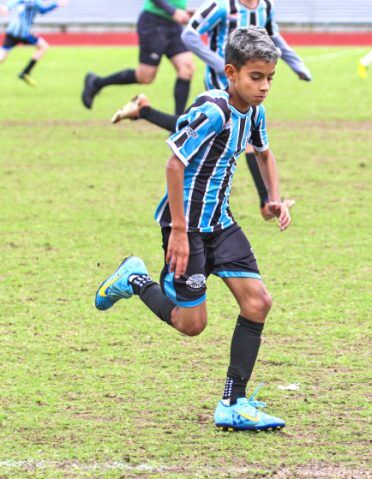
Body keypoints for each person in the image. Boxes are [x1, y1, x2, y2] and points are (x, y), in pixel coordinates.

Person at [95, 27, 290, 432]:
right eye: (257, 77)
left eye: (270, 78)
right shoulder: (212, 110)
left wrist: (273, 197)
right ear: (232, 73)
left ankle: (232, 404)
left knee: (258, 303)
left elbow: (265, 153)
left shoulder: (255, 111)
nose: (265, 86)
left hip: (220, 222)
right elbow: (174, 164)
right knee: (191, 324)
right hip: (185, 225)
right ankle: (134, 278)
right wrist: (180, 232)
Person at [111, 0, 309, 220]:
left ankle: (144, 110)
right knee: (220, 133)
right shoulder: (221, 6)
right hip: (222, 82)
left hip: (247, 82)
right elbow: (190, 35)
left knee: (203, 128)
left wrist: (296, 63)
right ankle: (261, 203)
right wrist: (218, 63)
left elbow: (273, 38)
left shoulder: (266, 6)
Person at [81, 0, 194, 114]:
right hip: (154, 22)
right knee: (145, 77)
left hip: (173, 24)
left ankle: (178, 124)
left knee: (186, 68)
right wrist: (173, 11)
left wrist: (181, 11)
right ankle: (96, 82)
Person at [0, 0, 68, 86]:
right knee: (43, 46)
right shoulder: (34, 2)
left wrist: (7, 7)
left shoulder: (34, 2)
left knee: (2, 57)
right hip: (23, 33)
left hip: (12, 30)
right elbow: (40, 9)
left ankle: (25, 73)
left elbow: (41, 10)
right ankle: (25, 72)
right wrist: (56, 4)